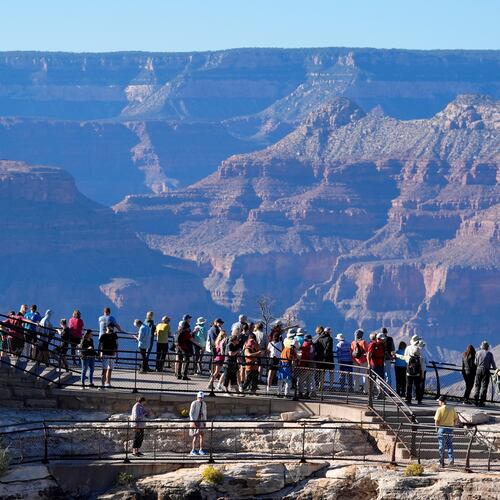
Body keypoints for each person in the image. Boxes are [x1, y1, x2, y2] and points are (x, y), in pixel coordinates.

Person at [396, 335, 424, 405]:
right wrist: (422, 373)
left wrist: (396, 355)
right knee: (417, 386)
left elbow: (404, 357)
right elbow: (422, 363)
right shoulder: (419, 350)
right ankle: (419, 400)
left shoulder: (408, 348)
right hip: (417, 372)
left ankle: (408, 399)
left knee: (409, 385)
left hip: (409, 371)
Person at [434, 395, 458, 467]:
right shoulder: (452, 408)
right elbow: (456, 418)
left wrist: (436, 428)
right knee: (450, 444)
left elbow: (436, 421)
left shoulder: (439, 409)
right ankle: (451, 460)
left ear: (441, 402)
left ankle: (441, 461)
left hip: (442, 428)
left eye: (439, 401)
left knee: (441, 445)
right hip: (450, 428)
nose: (438, 402)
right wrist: (454, 425)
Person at [175, 315, 201, 380]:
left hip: (178, 347)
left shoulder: (179, 331)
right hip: (184, 347)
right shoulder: (185, 332)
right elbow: (192, 339)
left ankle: (179, 374)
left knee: (180, 360)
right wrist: (200, 346)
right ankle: (184, 375)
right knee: (187, 360)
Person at [473, 341, 496, 407]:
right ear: (487, 347)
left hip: (478, 370)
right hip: (486, 371)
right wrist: (496, 370)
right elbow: (493, 364)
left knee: (477, 385)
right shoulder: (489, 354)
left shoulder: (477, 353)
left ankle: (475, 400)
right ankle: (481, 402)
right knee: (484, 386)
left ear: (481, 346)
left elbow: (475, 363)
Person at [367, 332, 386, 398]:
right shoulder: (372, 344)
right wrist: (369, 364)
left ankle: (381, 393)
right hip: (374, 365)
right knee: (372, 379)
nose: (383, 340)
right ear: (378, 338)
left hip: (381, 365)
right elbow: (369, 354)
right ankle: (371, 393)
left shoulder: (382, 345)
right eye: (381, 339)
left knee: (381, 379)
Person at [189, 391, 208, 455]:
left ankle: (201, 449)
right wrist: (192, 421)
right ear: (197, 397)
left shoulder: (204, 404)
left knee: (202, 435)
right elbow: (191, 413)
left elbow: (205, 413)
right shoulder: (194, 403)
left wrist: (205, 421)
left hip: (201, 421)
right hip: (195, 421)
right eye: (200, 397)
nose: (201, 399)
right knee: (195, 436)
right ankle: (193, 450)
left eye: (202, 398)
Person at [351, 329, 368, 393]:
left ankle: (356, 389)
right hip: (363, 361)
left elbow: (352, 352)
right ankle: (366, 390)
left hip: (355, 361)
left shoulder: (353, 342)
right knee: (365, 376)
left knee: (356, 376)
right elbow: (366, 352)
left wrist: (353, 360)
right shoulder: (363, 342)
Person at [298, 333, 315, 398]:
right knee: (309, 380)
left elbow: (304, 356)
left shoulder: (305, 345)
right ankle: (308, 393)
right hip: (311, 365)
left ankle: (301, 393)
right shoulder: (312, 346)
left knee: (301, 380)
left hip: (305, 365)